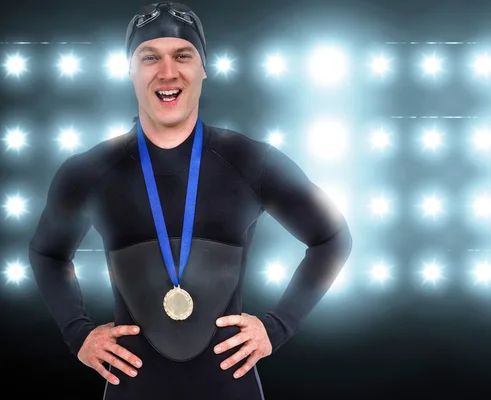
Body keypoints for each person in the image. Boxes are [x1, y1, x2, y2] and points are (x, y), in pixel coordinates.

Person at [28, 2, 352, 399]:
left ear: (203, 67)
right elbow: (47, 253)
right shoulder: (90, 171)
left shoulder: (250, 161)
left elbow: (332, 237)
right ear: (130, 70)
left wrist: (276, 328)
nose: (168, 72)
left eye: (183, 55)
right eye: (150, 57)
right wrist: (78, 334)